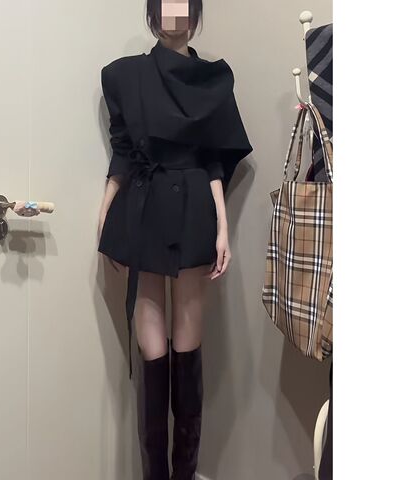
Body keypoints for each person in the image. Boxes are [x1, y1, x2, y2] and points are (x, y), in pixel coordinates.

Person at [97, 1, 253, 478]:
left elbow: (213, 161)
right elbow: (123, 152)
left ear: (196, 14)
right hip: (143, 209)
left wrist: (223, 227)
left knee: (188, 344)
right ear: (152, 13)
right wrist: (105, 214)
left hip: (194, 211)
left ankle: (184, 472)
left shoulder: (211, 80)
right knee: (153, 352)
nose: (174, 13)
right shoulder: (125, 76)